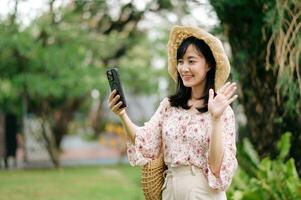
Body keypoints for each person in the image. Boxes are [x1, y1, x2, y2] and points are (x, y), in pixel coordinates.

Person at [108, 26, 238, 200]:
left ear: (208, 64)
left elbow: (216, 168)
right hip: (170, 191)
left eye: (191, 61)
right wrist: (122, 114)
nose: (184, 68)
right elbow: (145, 143)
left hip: (203, 193)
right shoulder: (169, 106)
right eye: (180, 61)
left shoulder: (223, 111)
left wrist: (215, 119)